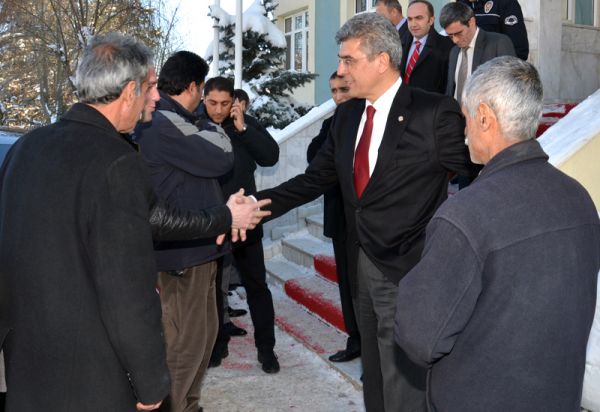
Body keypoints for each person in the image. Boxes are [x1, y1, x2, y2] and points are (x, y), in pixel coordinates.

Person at [252, 12, 475, 412]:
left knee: (404, 384)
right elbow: (313, 179)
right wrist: (256, 208)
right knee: (373, 374)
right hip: (360, 266)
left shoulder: (434, 112)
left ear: (381, 61)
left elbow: (476, 175)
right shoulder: (348, 114)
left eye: (348, 60)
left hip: (410, 271)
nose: (340, 70)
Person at [394, 56, 600, 411]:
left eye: (466, 118)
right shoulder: (579, 197)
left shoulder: (465, 215)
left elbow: (420, 338)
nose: (464, 132)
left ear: (485, 117)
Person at [134, 51, 233, 412]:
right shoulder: (164, 122)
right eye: (203, 91)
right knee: (183, 346)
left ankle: (189, 405)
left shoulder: (175, 122)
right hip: (180, 255)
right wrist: (209, 124)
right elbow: (223, 155)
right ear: (194, 86)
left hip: (197, 249)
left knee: (202, 339)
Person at [200, 76, 281, 374]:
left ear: (233, 102)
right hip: (213, 222)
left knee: (257, 285)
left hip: (246, 222)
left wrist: (243, 128)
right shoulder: (194, 125)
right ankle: (216, 345)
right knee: (213, 290)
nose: (218, 110)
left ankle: (266, 350)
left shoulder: (245, 124)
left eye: (224, 104)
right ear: (203, 99)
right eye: (212, 103)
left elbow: (271, 156)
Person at [306, 71, 360, 364]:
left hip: (368, 222)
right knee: (347, 286)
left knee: (367, 289)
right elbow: (314, 158)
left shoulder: (372, 119)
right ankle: (355, 341)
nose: (338, 97)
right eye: (334, 91)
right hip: (341, 218)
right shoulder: (331, 123)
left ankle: (374, 351)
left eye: (343, 90)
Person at [440, 2, 515, 102]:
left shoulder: (498, 43)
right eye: (450, 36)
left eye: (458, 33)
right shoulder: (454, 52)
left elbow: (511, 89)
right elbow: (450, 91)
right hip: (455, 116)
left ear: (471, 22)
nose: (455, 40)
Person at [400, 0, 454, 93]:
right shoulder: (399, 44)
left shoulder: (447, 47)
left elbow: (448, 86)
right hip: (401, 104)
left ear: (431, 20)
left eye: (419, 18)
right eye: (410, 19)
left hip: (431, 105)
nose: (413, 24)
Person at [458, 0, 529, 60]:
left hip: (494, 71)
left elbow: (519, 50)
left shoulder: (505, 3)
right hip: (465, 70)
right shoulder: (460, 4)